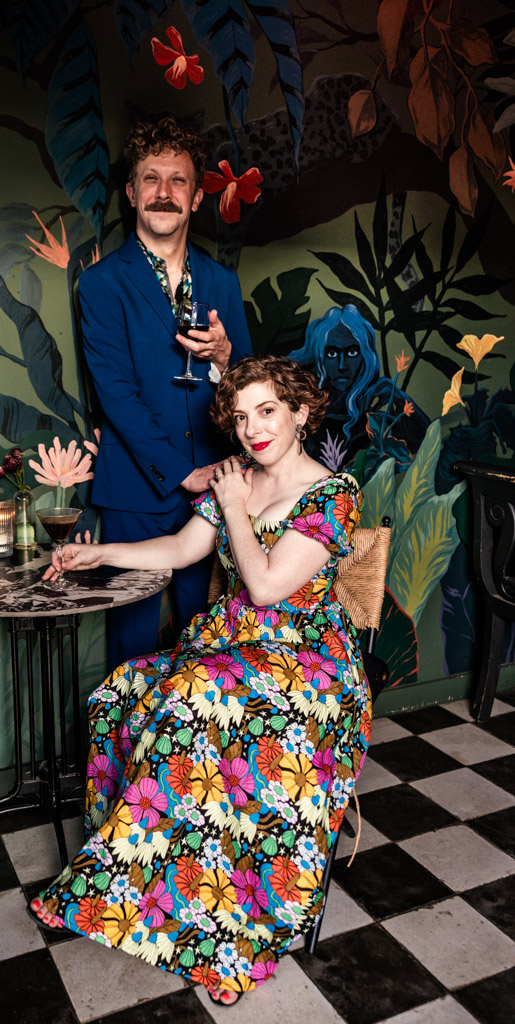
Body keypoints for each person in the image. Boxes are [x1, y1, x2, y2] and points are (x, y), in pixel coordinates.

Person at [29, 355, 371, 1007]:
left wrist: (236, 507)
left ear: (300, 412)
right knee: (122, 691)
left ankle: (223, 928)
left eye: (267, 411)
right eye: (240, 417)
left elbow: (269, 588)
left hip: (306, 667)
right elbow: (183, 550)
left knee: (193, 701)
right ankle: (138, 884)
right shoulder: (237, 480)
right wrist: (99, 551)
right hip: (231, 649)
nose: (251, 429)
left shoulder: (333, 493)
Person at [78, 115, 252, 666]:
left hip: (216, 490)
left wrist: (226, 359)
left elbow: (251, 387)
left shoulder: (223, 282)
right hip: (135, 490)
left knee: (204, 646)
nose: (164, 193)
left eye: (178, 181)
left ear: (197, 197)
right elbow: (117, 396)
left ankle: (189, 756)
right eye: (151, 179)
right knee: (131, 650)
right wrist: (182, 472)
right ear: (131, 193)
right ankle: (119, 755)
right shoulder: (102, 283)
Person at [290, 304, 429, 470]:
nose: (342, 365)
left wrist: (394, 392)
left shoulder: (373, 423)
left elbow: (425, 439)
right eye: (332, 354)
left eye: (352, 353)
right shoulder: (304, 418)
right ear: (319, 357)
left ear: (365, 357)